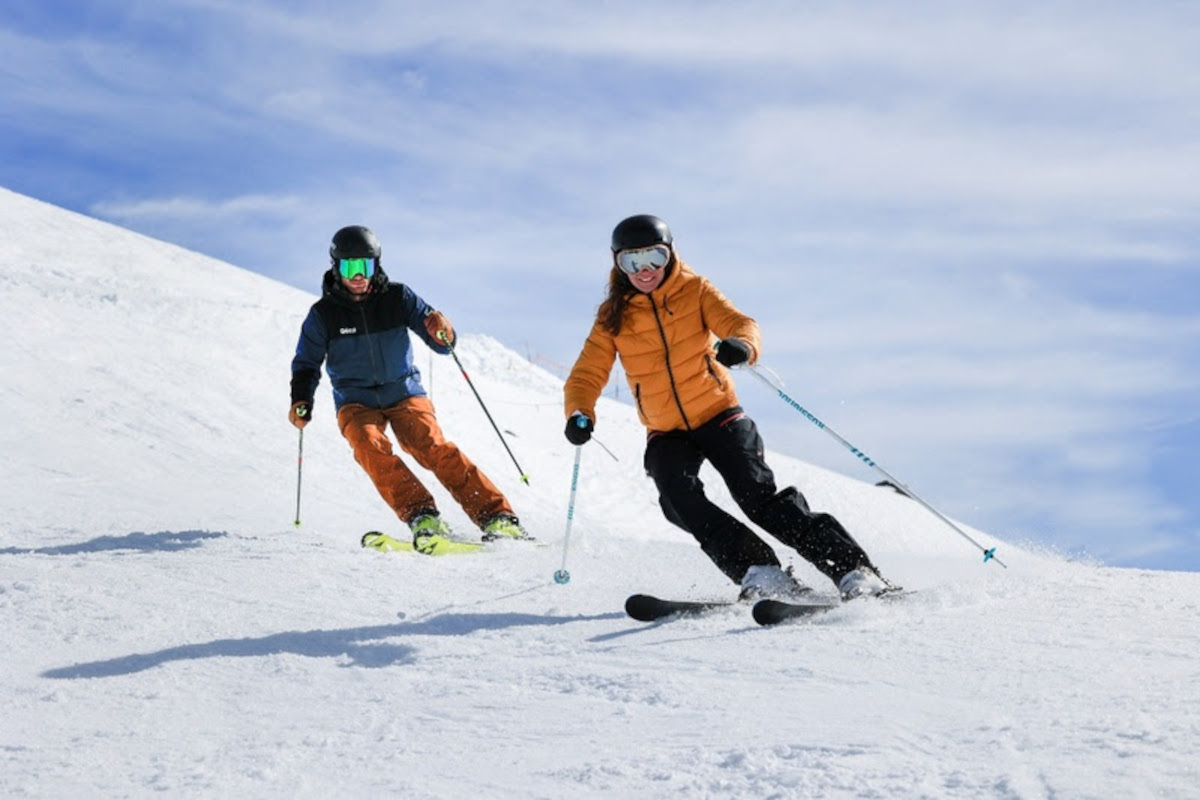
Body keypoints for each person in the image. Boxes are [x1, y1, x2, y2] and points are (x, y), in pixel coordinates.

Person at [563, 214, 894, 600]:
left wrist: (742, 345)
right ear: (617, 264)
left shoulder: (695, 290)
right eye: (632, 262)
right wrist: (579, 412)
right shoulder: (612, 316)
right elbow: (586, 375)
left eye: (654, 257)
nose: (645, 270)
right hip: (666, 430)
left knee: (757, 497)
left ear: (670, 254)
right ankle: (762, 571)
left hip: (719, 413)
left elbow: (740, 323)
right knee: (676, 499)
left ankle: (853, 570)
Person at [290, 225, 527, 553]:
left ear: (377, 265)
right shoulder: (323, 315)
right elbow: (306, 363)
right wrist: (301, 399)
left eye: (366, 266)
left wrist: (443, 332)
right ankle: (422, 516)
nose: (358, 276)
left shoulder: (397, 297)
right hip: (355, 399)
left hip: (403, 391)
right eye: (349, 267)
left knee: (430, 444)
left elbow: (441, 342)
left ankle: (497, 516)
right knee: (367, 444)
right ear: (335, 267)